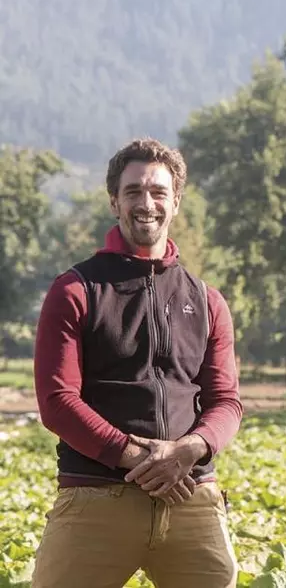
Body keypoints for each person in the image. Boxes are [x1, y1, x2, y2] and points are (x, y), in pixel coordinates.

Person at [32, 138, 244, 588]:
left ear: (176, 202)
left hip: (192, 497)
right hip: (96, 498)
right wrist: (138, 458)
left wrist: (188, 450)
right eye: (133, 192)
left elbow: (226, 402)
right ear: (114, 201)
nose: (145, 203)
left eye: (158, 192)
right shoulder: (75, 290)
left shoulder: (207, 302)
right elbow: (56, 401)